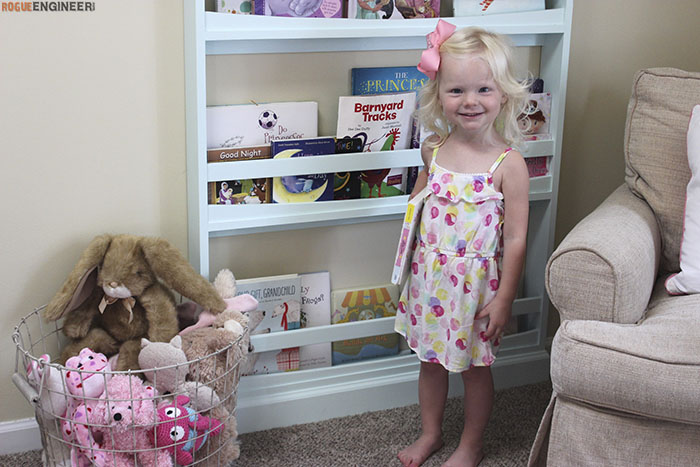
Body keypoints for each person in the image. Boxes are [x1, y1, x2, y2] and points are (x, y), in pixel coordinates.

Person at [394, 20, 530, 467]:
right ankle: (431, 433)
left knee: (475, 369)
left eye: (483, 90)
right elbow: (417, 208)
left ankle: (471, 444)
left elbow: (515, 238)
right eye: (456, 91)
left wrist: (505, 297)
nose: (470, 102)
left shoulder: (509, 165)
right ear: (438, 97)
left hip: (478, 290)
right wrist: (408, 269)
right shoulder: (433, 150)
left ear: (504, 94)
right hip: (430, 281)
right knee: (430, 362)